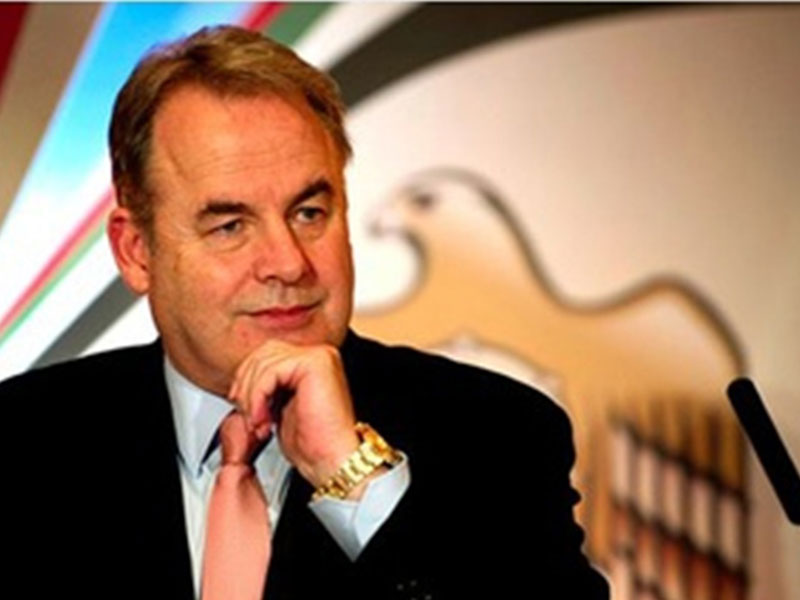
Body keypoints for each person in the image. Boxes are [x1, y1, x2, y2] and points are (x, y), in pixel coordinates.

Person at [0, 25, 608, 600]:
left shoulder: (496, 437)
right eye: (230, 225)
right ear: (136, 251)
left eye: (309, 214)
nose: (288, 263)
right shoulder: (25, 445)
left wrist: (356, 480)